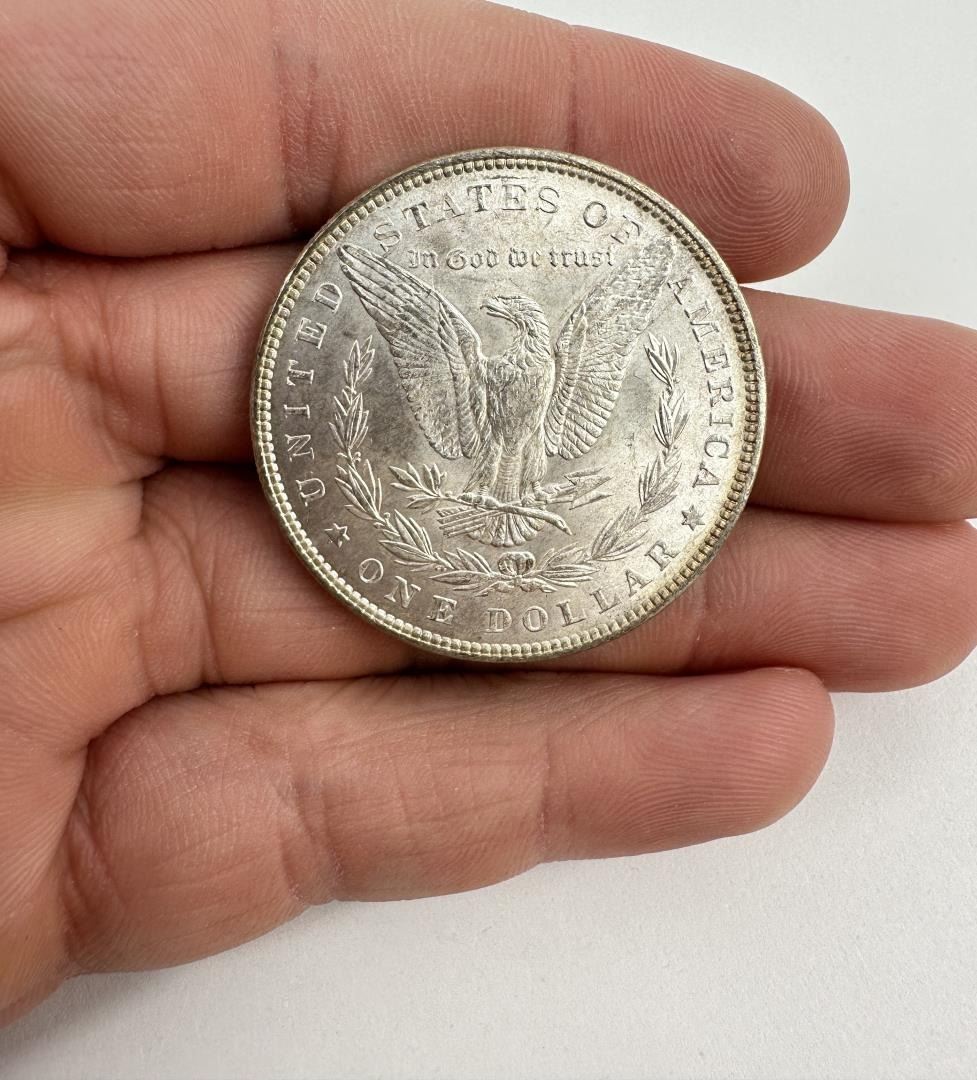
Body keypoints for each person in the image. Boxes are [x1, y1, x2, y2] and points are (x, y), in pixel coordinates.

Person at [1, 0, 975, 1028]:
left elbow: (604, 329)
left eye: (512, 314)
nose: (509, 320)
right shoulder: (464, 353)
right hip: (479, 474)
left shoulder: (566, 354)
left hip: (528, 475)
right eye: (506, 313)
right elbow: (419, 327)